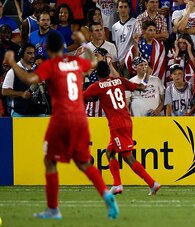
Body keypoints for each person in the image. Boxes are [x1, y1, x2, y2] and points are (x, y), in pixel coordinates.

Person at [3, 31, 118, 219]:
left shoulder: (51, 65)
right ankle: (106, 194)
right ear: (63, 47)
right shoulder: (75, 62)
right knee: (82, 162)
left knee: (50, 161)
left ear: (48, 49)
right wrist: (83, 44)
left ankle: (53, 209)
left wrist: (13, 62)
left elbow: (29, 79)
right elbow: (93, 63)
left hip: (62, 119)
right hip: (80, 118)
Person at [83, 61, 161, 195]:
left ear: (97, 74)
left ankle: (152, 183)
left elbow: (82, 96)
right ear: (108, 71)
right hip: (127, 120)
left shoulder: (97, 86)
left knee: (127, 157)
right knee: (109, 153)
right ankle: (117, 185)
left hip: (116, 124)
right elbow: (138, 87)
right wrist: (144, 84)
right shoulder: (119, 80)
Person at [2, 43, 49, 117]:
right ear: (21, 54)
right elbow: (4, 91)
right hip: (20, 113)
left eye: (33, 53)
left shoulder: (38, 69)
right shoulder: (13, 71)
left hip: (39, 112)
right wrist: (21, 94)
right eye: (29, 53)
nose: (33, 56)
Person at [111, 0, 136, 77]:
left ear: (129, 9)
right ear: (117, 9)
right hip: (118, 63)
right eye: (121, 7)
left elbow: (135, 42)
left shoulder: (135, 22)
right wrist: (116, 61)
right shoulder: (114, 26)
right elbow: (115, 46)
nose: (123, 9)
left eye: (125, 7)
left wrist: (125, 58)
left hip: (130, 60)